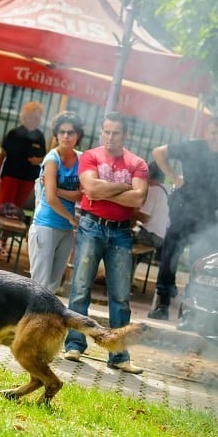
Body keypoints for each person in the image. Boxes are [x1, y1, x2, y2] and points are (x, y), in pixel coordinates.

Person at [63, 111, 148, 373]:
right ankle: (75, 345)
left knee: (120, 296)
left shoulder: (138, 163)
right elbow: (90, 190)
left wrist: (105, 190)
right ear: (102, 132)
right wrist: (123, 187)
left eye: (116, 133)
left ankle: (119, 356)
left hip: (121, 232)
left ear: (125, 135)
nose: (110, 137)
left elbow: (138, 200)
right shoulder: (90, 156)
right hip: (91, 226)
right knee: (80, 288)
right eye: (107, 132)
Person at [149, 119, 218, 320]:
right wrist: (175, 177)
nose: (216, 137)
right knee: (169, 256)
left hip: (208, 215)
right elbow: (159, 152)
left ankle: (191, 309)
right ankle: (163, 304)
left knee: (201, 261)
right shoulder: (192, 147)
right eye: (212, 132)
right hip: (183, 209)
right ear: (205, 132)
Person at [0, 101, 47, 255]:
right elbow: (1, 156)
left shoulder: (40, 137)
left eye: (38, 117)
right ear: (26, 117)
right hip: (10, 176)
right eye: (33, 116)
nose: (35, 120)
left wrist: (38, 160)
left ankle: (3, 243)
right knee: (2, 209)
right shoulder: (14, 134)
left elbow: (44, 157)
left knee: (15, 212)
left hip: (28, 179)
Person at [28, 111, 83, 293]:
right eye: (62, 132)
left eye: (71, 132)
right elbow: (50, 199)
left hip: (66, 229)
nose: (66, 136)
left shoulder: (80, 159)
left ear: (78, 135)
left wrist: (57, 190)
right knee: (39, 285)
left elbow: (80, 195)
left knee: (53, 284)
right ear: (56, 134)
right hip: (46, 225)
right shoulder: (52, 159)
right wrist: (71, 218)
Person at [133, 162, 168, 250]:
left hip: (150, 236)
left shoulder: (153, 191)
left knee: (120, 237)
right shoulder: (165, 190)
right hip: (161, 236)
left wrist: (131, 211)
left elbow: (145, 218)